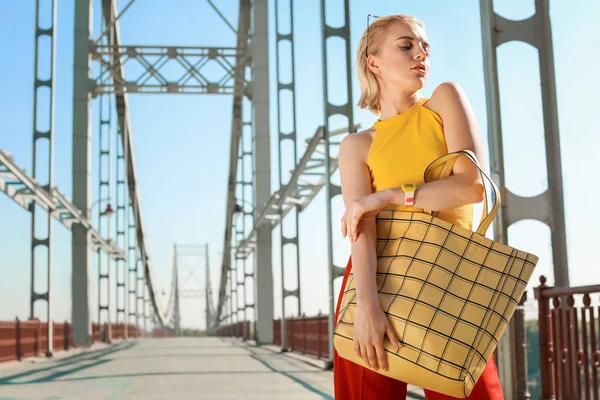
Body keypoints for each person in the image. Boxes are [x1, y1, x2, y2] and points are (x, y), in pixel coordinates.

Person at [334, 14, 504, 400]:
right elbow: (362, 231)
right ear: (373, 61)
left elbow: (472, 187)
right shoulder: (356, 146)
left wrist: (387, 196)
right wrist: (367, 306)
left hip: (453, 275)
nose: (420, 54)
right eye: (406, 45)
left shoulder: (443, 101)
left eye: (425, 47)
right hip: (374, 278)